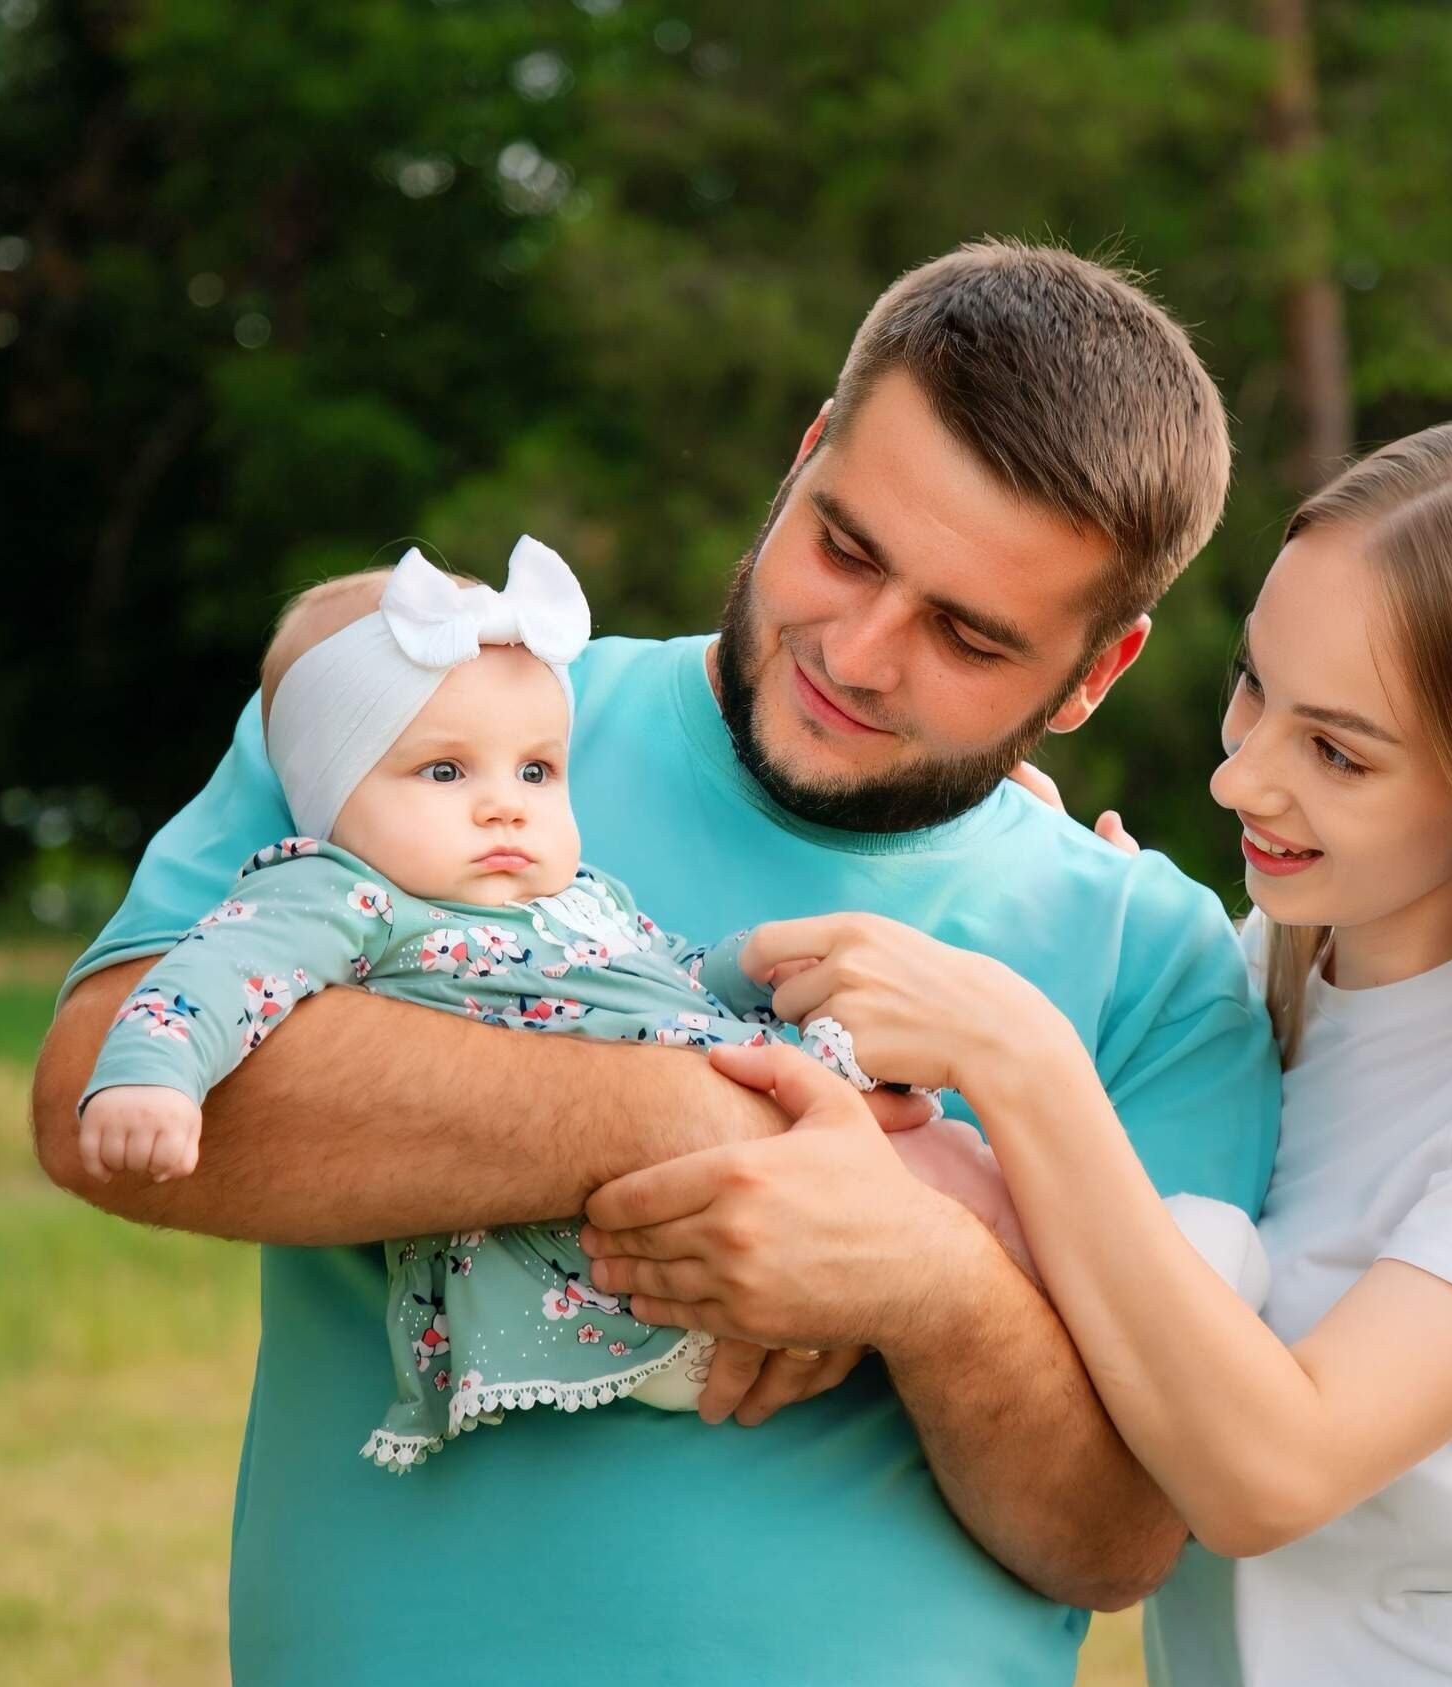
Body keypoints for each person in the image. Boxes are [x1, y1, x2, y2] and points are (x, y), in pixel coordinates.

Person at [29, 240, 1280, 1687]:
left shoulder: (1161, 960)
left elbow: (1116, 1535)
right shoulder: (432, 717)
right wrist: (703, 1125)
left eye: (968, 633)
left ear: (1096, 671)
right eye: (849, 547)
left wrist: (929, 1276)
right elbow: (97, 1101)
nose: (862, 652)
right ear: (806, 454)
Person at [608, 418, 1452, 1687]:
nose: (1239, 776)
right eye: (1254, 688)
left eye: (1336, 751)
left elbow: (1264, 1473)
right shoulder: (1271, 969)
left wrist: (1027, 1053)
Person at [75, 540, 1053, 1470]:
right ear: (331, 798)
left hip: (744, 1172)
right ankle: (1027, 1270)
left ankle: (1036, 1259)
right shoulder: (338, 895)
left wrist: (743, 964)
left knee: (946, 1154)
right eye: (445, 770)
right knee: (925, 1177)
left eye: (535, 769)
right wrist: (151, 1079)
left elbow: (661, 972)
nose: (505, 804)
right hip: (626, 1267)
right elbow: (213, 975)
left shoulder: (577, 896)